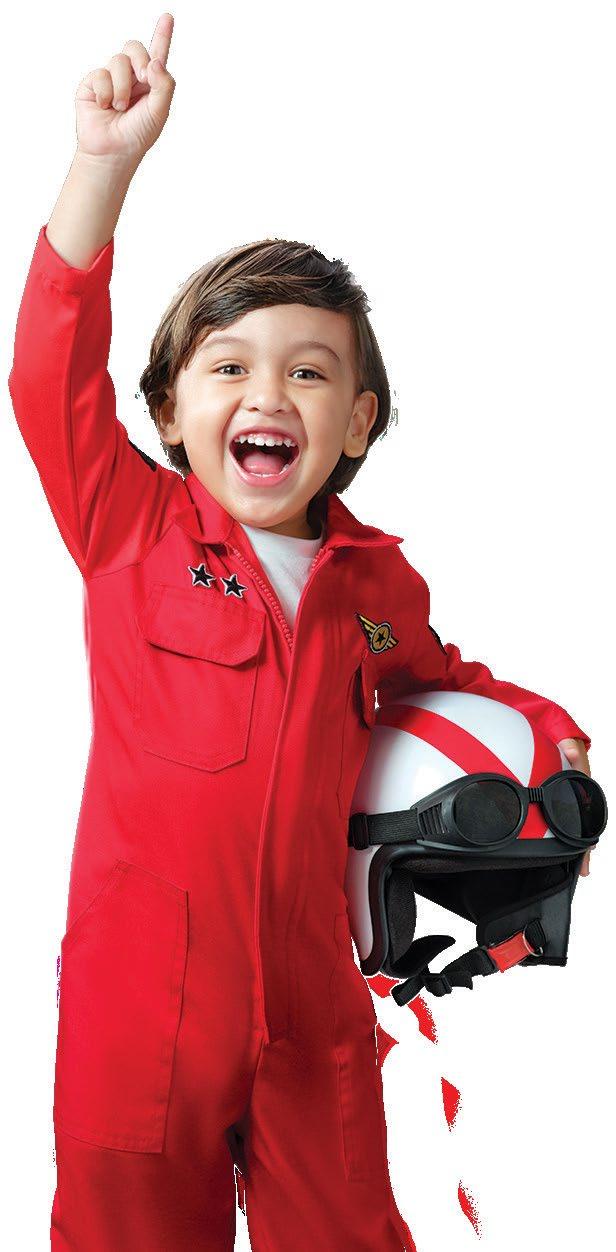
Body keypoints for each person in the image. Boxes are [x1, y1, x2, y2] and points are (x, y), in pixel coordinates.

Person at [8, 13, 592, 1251]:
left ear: (359, 420)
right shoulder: (128, 526)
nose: (267, 394)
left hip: (314, 987)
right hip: (142, 1000)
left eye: (309, 373)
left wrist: (555, 746)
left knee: (344, 1231)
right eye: (227, 368)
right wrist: (102, 166)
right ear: (168, 412)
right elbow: (49, 368)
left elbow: (442, 685)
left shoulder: (378, 585)